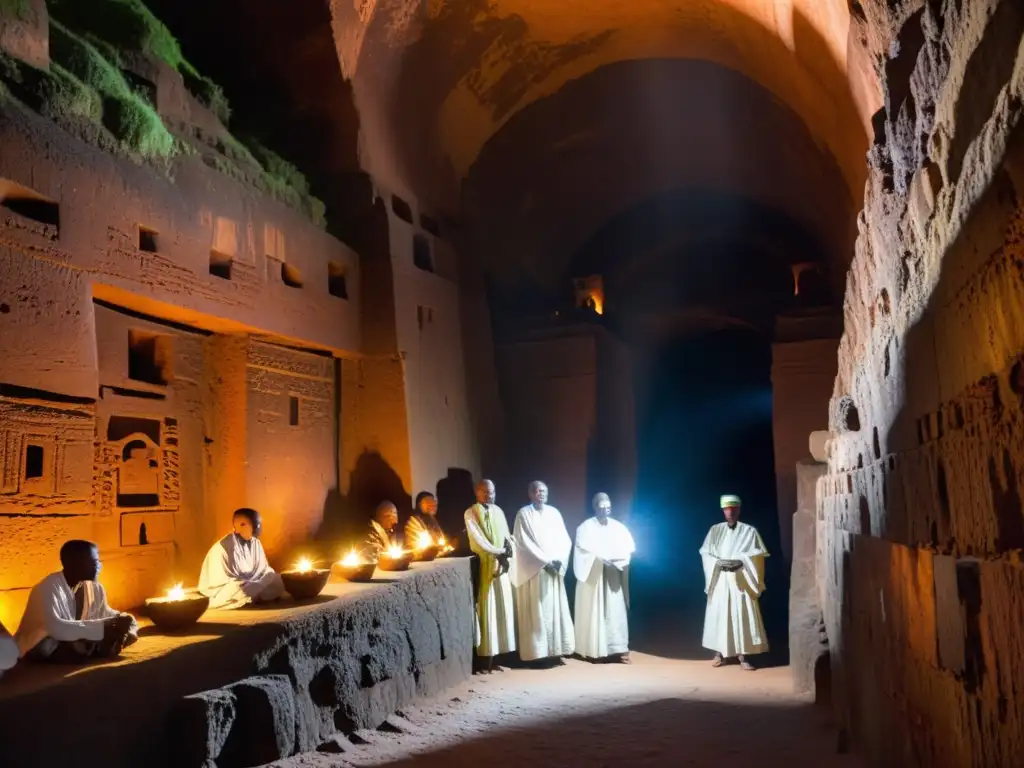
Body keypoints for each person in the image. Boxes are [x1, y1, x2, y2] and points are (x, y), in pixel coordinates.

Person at [15, 540, 137, 662]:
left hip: (75, 640)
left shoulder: (95, 588)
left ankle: (90, 649)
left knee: (125, 623)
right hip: (46, 642)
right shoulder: (47, 588)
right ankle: (92, 649)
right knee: (48, 645)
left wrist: (122, 619)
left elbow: (104, 612)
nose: (99, 566)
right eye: (93, 563)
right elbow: (57, 628)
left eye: (98, 562)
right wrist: (105, 625)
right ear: (72, 564)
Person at [699, 494, 769, 670]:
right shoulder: (715, 530)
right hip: (721, 579)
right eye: (727, 509)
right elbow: (706, 552)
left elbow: (757, 555)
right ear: (723, 510)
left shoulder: (749, 531)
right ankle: (719, 653)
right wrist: (717, 562)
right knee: (721, 615)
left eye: (734, 508)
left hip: (741, 579)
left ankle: (743, 655)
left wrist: (742, 561)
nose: (730, 512)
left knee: (742, 615)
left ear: (739, 509)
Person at [511, 481, 575, 663]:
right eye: (538, 491)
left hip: (553, 570)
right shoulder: (523, 513)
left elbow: (564, 539)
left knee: (553, 610)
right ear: (530, 493)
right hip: (536, 570)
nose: (541, 494)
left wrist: (558, 561)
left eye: (544, 491)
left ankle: (555, 651)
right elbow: (523, 541)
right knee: (537, 610)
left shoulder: (554, 513)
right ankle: (537, 654)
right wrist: (544, 561)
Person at [573, 492, 636, 663]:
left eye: (608, 508)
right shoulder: (585, 527)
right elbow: (582, 548)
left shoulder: (618, 527)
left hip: (612, 576)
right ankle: (594, 650)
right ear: (595, 507)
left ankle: (617, 649)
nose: (605, 511)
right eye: (602, 507)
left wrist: (619, 559)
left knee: (615, 612)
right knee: (595, 611)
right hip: (594, 576)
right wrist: (600, 558)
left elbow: (628, 547)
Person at [464, 479, 515, 672]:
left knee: (501, 611)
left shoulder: (499, 512)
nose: (489, 496)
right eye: (485, 492)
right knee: (488, 610)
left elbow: (507, 536)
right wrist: (497, 551)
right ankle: (485, 659)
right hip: (486, 567)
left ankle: (499, 658)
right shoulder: (471, 513)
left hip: (501, 567)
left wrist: (509, 549)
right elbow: (477, 539)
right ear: (477, 493)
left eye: (492, 492)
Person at [198, 508, 285, 610]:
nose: (259, 529)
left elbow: (264, 569)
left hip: (253, 583)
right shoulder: (224, 547)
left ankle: (254, 596)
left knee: (278, 579)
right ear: (241, 525)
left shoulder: (256, 542)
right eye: (256, 525)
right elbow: (226, 581)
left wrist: (260, 580)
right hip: (228, 589)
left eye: (260, 525)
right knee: (241, 590)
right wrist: (251, 584)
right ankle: (255, 596)